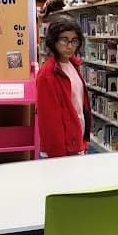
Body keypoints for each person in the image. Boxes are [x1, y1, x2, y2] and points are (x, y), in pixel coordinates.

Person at [37, 15, 91, 157]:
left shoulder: (73, 64)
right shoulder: (47, 74)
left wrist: (83, 139)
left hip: (76, 139)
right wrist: (59, 157)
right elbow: (49, 121)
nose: (70, 46)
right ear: (53, 40)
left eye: (74, 41)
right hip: (62, 149)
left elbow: (79, 105)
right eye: (64, 40)